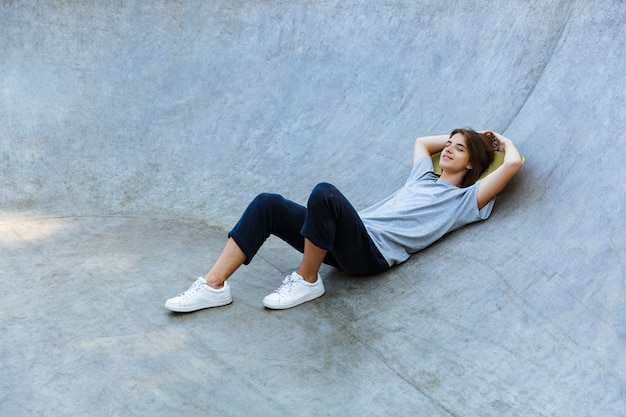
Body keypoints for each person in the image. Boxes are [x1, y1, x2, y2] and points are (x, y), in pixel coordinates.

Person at [165, 128, 522, 312]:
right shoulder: (421, 176)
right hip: (344, 239)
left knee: (325, 193)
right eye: (449, 143)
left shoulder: (464, 200)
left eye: (459, 149)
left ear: (472, 164)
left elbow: (514, 164)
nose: (447, 148)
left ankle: (307, 280)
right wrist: (471, 134)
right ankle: (213, 287)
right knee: (267, 203)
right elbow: (420, 141)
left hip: (372, 254)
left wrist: (496, 141)